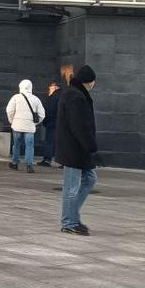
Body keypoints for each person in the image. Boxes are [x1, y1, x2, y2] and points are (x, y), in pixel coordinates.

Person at [57, 65, 100, 235]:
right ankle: (69, 222)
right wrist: (91, 147)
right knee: (72, 187)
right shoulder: (75, 96)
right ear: (89, 81)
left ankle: (72, 216)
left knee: (89, 179)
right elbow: (79, 126)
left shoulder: (75, 94)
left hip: (77, 149)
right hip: (74, 149)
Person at [6, 79, 45, 173]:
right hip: (30, 127)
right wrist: (35, 123)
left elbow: (9, 110)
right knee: (30, 146)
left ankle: (15, 163)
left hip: (17, 125)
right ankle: (29, 165)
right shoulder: (36, 99)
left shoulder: (16, 97)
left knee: (16, 145)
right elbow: (42, 114)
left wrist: (12, 121)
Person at [39, 81, 60, 167]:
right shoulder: (61, 96)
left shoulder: (53, 97)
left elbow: (48, 110)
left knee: (49, 142)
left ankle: (47, 160)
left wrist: (45, 121)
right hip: (60, 123)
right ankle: (63, 162)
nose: (49, 88)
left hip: (52, 123)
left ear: (55, 87)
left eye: (51, 86)